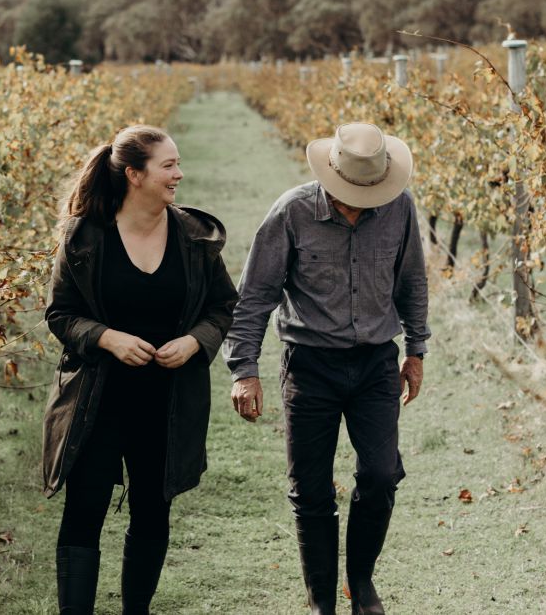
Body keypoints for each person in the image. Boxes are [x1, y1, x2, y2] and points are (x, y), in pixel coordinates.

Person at [224, 122, 429, 615]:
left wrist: (416, 349)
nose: (361, 201)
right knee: (310, 488)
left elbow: (413, 281)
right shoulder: (292, 212)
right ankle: (321, 600)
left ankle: (361, 583)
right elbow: (255, 297)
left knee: (381, 475)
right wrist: (243, 369)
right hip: (309, 365)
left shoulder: (399, 208)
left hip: (376, 362)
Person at [40, 125, 239, 614]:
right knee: (83, 514)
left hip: (167, 404)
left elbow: (222, 307)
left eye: (177, 163)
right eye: (168, 165)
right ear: (134, 174)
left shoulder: (194, 238)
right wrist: (106, 337)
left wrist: (195, 342)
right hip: (96, 402)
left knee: (152, 514)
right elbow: (59, 313)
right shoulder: (85, 237)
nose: (179, 174)